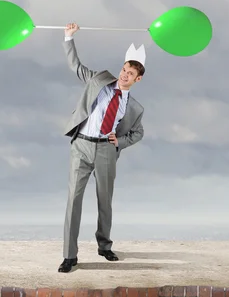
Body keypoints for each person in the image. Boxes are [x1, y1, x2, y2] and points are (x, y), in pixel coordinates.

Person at [58, 23, 146, 273]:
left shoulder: (135, 108)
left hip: (106, 151)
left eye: (131, 74)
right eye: (124, 69)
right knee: (73, 200)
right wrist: (68, 38)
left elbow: (138, 132)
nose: (125, 74)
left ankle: (104, 246)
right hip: (82, 145)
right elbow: (76, 66)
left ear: (138, 79)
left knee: (104, 200)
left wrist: (120, 142)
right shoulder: (99, 80)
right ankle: (69, 256)